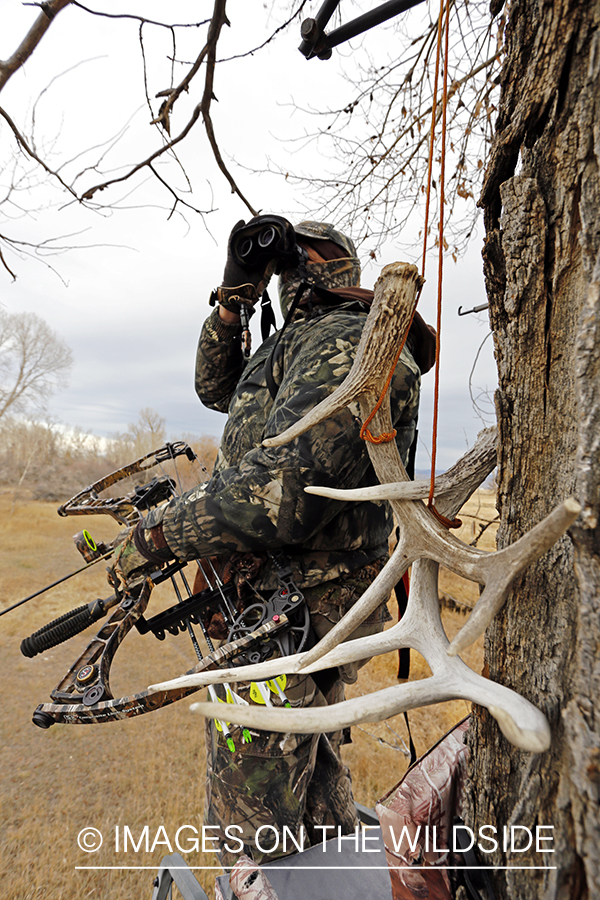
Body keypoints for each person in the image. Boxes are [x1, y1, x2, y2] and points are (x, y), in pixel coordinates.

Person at [110, 217, 435, 868]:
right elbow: (215, 390)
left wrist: (159, 535)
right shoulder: (294, 344)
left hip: (296, 605)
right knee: (309, 794)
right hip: (271, 600)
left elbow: (283, 493)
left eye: (294, 260)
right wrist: (234, 302)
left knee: (251, 825)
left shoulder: (349, 342)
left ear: (327, 266)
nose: (284, 276)